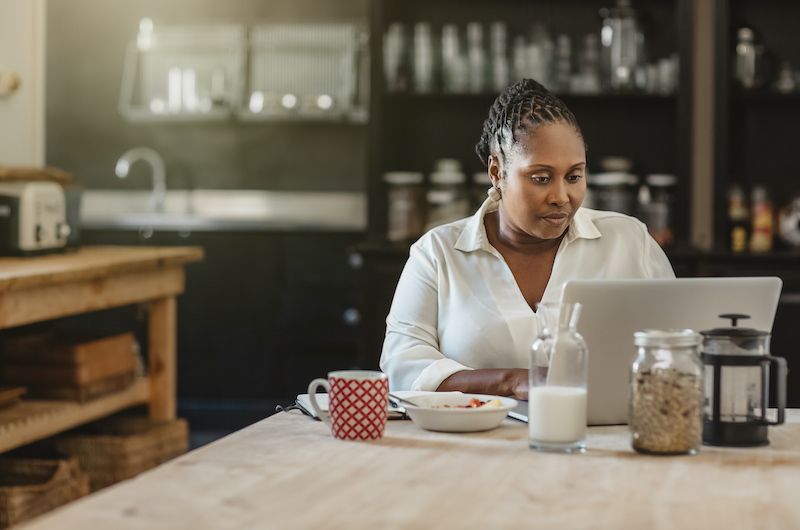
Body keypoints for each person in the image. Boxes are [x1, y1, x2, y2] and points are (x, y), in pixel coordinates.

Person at [379, 79, 675, 400]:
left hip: (599, 444)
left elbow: (679, 352)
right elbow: (400, 366)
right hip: (475, 446)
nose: (561, 197)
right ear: (497, 172)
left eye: (574, 176)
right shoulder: (437, 253)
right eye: (541, 178)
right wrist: (511, 381)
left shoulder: (631, 242)